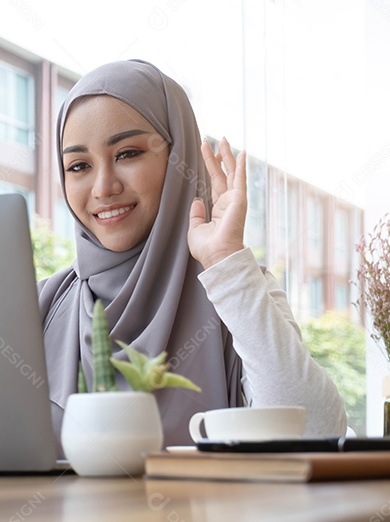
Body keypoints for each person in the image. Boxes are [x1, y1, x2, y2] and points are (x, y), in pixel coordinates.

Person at [37, 60, 347, 448]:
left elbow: (317, 431)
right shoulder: (42, 306)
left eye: (128, 153)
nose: (103, 187)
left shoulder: (235, 290)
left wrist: (225, 264)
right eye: (79, 165)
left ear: (177, 157)